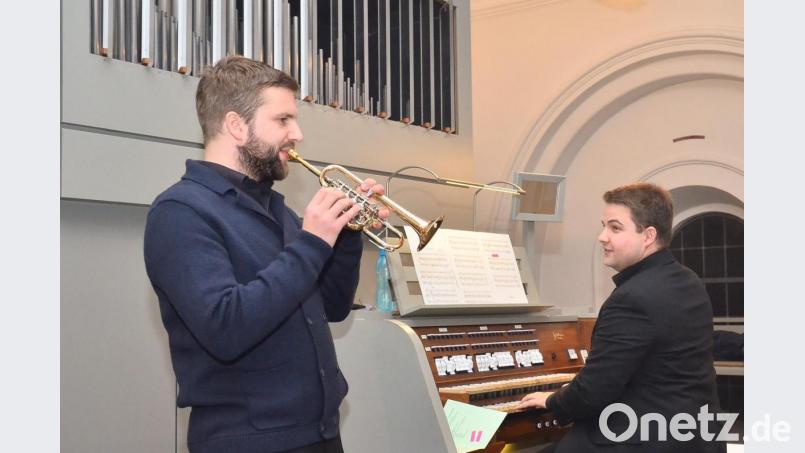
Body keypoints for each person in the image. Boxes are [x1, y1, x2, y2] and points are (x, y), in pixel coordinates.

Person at [143, 55, 386, 453]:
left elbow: (332, 307)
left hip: (319, 435)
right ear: (237, 126)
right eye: (283, 120)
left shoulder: (279, 211)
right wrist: (313, 241)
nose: (298, 134)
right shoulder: (180, 212)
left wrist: (344, 234)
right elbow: (226, 327)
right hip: (249, 442)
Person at [518, 183, 725, 452]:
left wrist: (553, 401)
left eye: (615, 228)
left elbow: (594, 391)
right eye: (604, 226)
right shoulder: (688, 280)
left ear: (648, 235)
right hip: (695, 437)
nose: (602, 237)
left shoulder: (631, 299)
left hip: (641, 440)